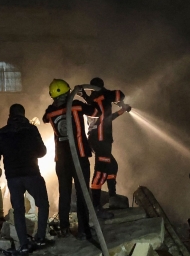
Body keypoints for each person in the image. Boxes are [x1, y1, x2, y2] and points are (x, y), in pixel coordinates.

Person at [0, 104, 49, 252]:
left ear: (10, 115)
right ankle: (40, 238)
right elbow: (42, 152)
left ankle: (24, 244)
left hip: (13, 177)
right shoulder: (31, 129)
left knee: (18, 210)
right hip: (31, 173)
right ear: (23, 114)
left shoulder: (1, 133)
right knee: (43, 204)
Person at [43, 78, 96, 240]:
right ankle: (83, 229)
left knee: (64, 193)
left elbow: (45, 118)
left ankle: (64, 227)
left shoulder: (50, 112)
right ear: (68, 93)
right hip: (78, 156)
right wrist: (85, 95)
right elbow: (96, 112)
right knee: (82, 193)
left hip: (61, 159)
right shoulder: (76, 105)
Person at [83, 77, 130, 215]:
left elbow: (108, 118)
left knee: (112, 166)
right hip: (101, 139)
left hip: (97, 138)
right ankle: (96, 206)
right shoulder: (102, 95)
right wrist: (121, 102)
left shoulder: (94, 99)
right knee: (101, 170)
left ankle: (112, 197)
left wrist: (122, 109)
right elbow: (119, 94)